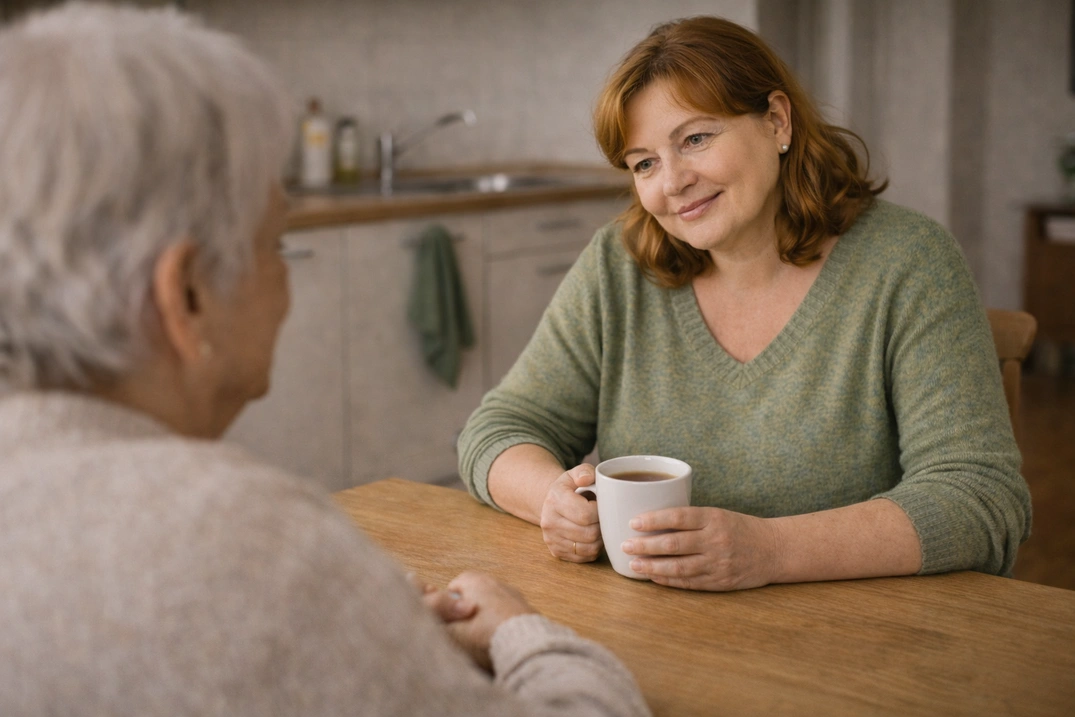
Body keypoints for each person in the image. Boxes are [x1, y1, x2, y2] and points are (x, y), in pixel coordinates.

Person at [0, 4, 650, 716]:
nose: (283, 284)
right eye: (274, 243)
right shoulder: (252, 545)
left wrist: (349, 625)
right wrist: (522, 631)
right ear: (185, 294)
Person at [457, 16, 1031, 592]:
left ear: (777, 121)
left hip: (860, 648)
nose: (673, 181)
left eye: (696, 139)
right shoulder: (620, 263)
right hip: (651, 633)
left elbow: (979, 496)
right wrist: (550, 501)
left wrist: (771, 550)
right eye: (644, 162)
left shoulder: (909, 262)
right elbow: (501, 427)